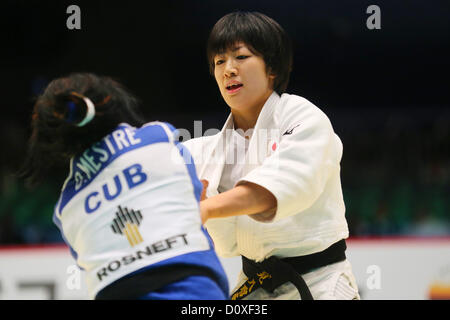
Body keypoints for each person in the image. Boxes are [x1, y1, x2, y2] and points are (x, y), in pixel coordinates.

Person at [182, 12, 360, 300]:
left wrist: (207, 208)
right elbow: (226, 243)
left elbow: (275, 191)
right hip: (254, 286)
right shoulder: (207, 150)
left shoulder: (304, 118)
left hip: (321, 284)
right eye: (219, 61)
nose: (228, 70)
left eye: (240, 57)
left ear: (272, 68)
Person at [21, 72, 229, 300]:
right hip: (193, 290)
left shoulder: (66, 208)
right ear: (113, 101)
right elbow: (194, 194)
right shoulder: (159, 136)